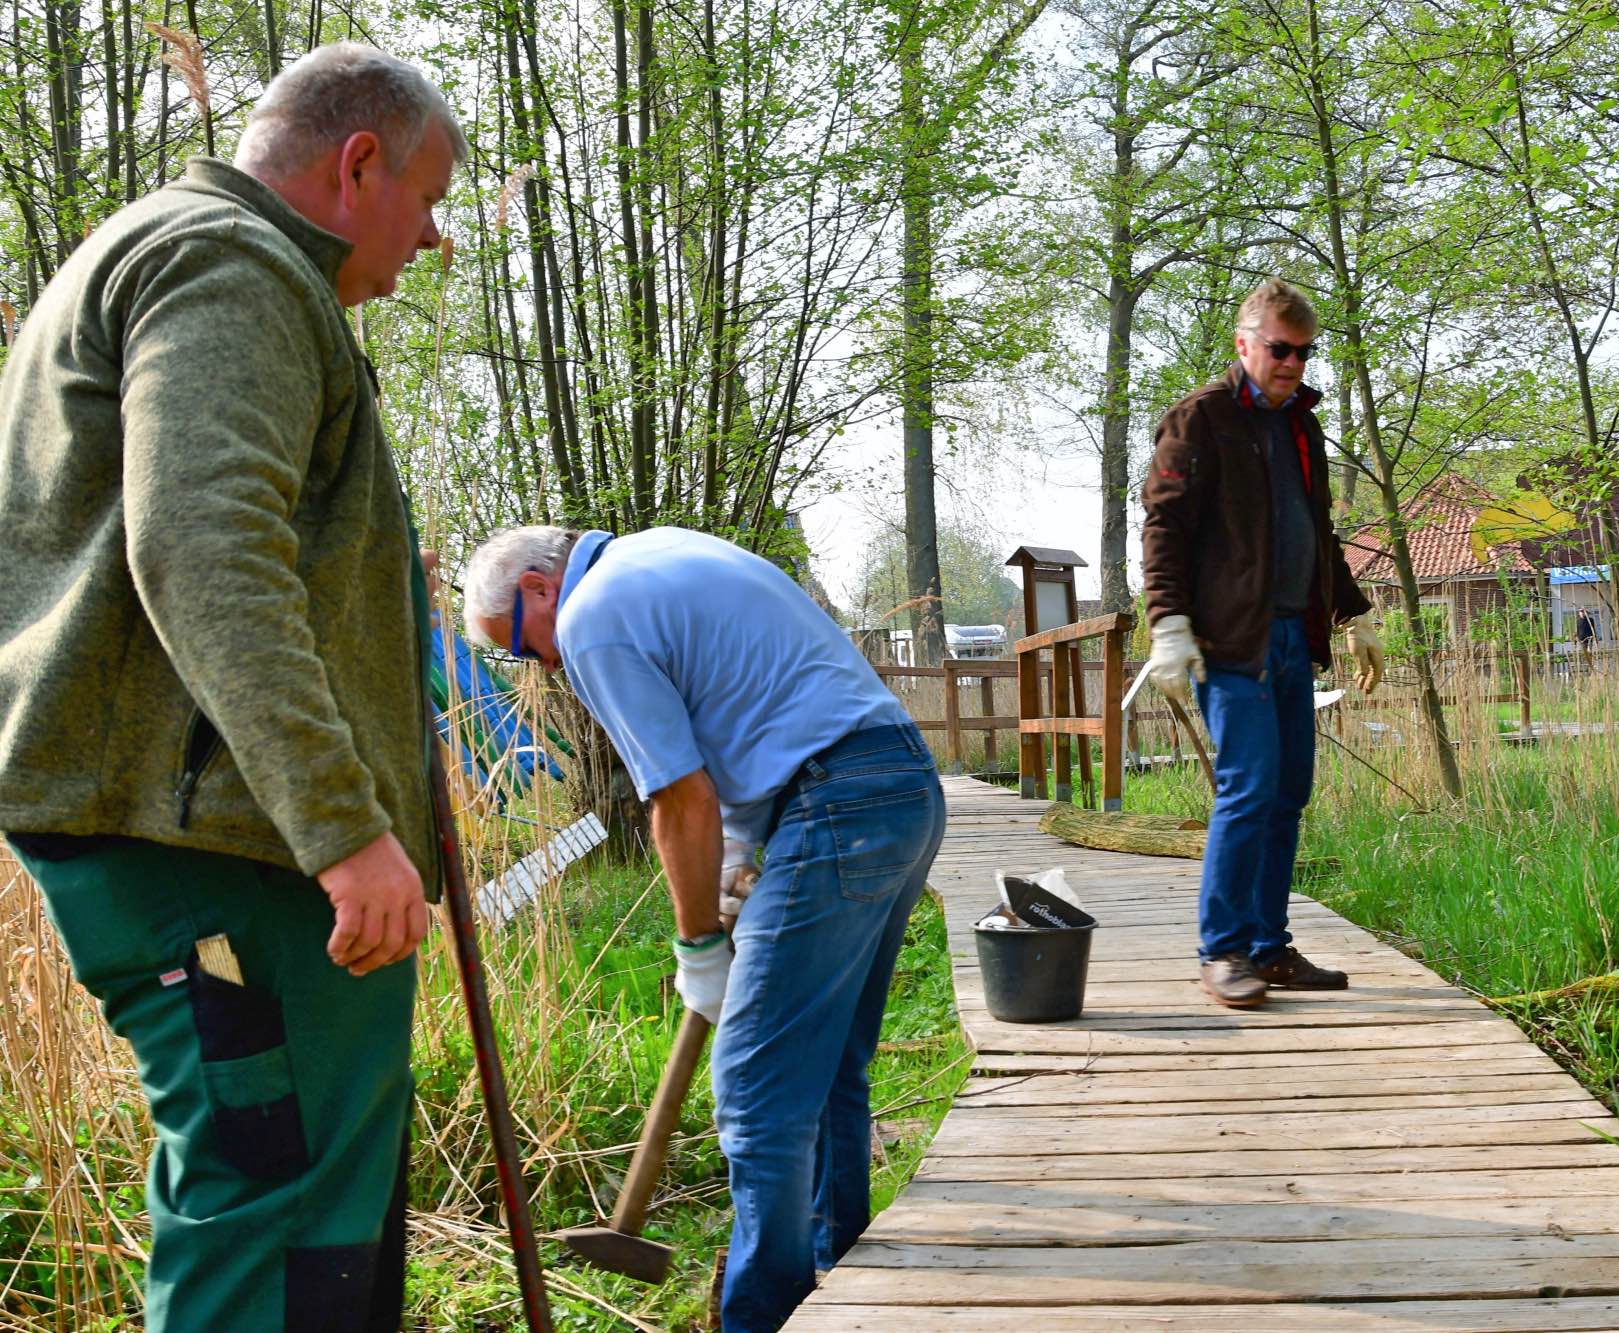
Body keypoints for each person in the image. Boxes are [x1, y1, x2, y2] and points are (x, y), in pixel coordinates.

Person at [0, 44, 464, 1329]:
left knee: (308, 1202)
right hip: (218, 841)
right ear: (356, 161)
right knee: (275, 1211)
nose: (431, 242)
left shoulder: (178, 256)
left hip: (206, 823)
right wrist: (345, 823)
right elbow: (203, 547)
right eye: (427, 202)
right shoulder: (232, 264)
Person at [460, 524, 945, 1333]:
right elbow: (756, 710)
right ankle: (838, 1270)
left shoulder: (590, 618)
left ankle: (764, 1316)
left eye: (518, 647)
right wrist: (743, 859)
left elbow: (679, 799)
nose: (541, 668)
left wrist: (697, 945)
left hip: (835, 801)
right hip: (896, 784)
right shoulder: (664, 552)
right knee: (827, 1069)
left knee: (755, 1091)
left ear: (540, 590)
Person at [1140, 278, 1386, 1010]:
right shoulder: (1198, 419)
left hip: (1291, 635)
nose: (1292, 364)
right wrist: (1168, 623)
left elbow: (1317, 533)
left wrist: (1353, 613)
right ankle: (1222, 950)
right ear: (1244, 342)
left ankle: (1269, 947)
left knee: (1288, 793)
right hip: (1230, 639)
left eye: (1304, 352)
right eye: (1280, 349)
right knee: (1248, 787)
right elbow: (1163, 529)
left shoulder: (1301, 427)